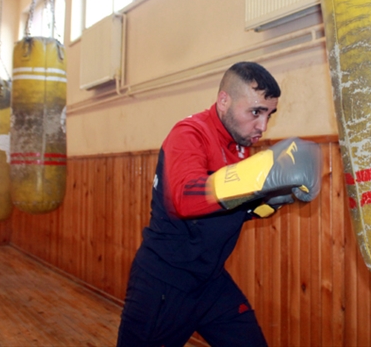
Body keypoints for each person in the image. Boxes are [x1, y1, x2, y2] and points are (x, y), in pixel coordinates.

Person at [117, 61, 322, 347]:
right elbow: (185, 199)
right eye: (255, 112)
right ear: (224, 100)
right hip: (164, 282)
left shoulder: (239, 143)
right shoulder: (188, 134)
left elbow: (229, 208)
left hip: (210, 282)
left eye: (269, 114)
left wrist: (271, 201)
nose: (262, 125)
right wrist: (259, 176)